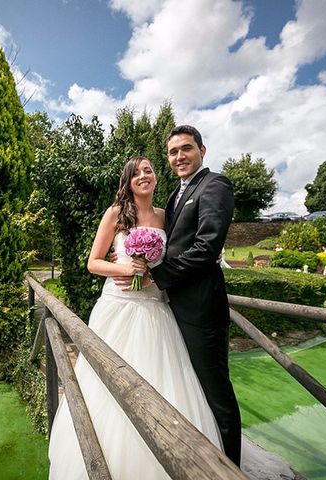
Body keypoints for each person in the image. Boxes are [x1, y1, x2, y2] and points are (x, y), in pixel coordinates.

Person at [48, 156, 224, 479]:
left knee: (166, 384)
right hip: (119, 308)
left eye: (149, 170)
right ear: (127, 181)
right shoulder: (116, 213)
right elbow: (93, 262)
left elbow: (180, 254)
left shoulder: (165, 216)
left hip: (157, 310)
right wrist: (125, 268)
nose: (144, 176)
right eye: (137, 173)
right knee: (108, 384)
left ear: (156, 178)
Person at [144, 124, 241, 465]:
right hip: (175, 307)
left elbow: (207, 246)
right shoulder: (175, 194)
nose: (179, 156)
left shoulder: (215, 185)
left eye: (186, 148)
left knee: (217, 395)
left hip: (201, 307)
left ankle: (231, 468)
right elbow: (174, 244)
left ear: (203, 150)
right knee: (191, 387)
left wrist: (157, 275)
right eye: (173, 152)